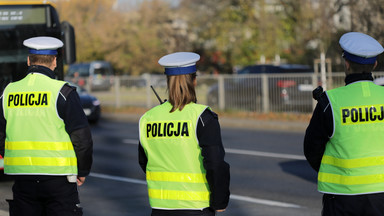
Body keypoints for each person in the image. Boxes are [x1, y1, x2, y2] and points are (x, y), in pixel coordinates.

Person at [0, 36, 93, 216]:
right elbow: (82, 139)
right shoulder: (64, 92)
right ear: (55, 61)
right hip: (58, 183)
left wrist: (14, 157)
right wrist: (82, 171)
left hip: (22, 180)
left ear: (28, 61)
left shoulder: (8, 92)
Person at [138, 52, 230, 216]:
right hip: (197, 207)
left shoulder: (148, 118)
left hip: (160, 207)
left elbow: (144, 161)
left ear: (167, 81)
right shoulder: (202, 117)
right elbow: (215, 163)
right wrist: (219, 201)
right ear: (194, 81)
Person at [304, 32, 384, 215]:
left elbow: (312, 149)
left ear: (346, 64)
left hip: (342, 197)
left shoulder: (330, 102)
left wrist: (335, 170)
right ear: (375, 64)